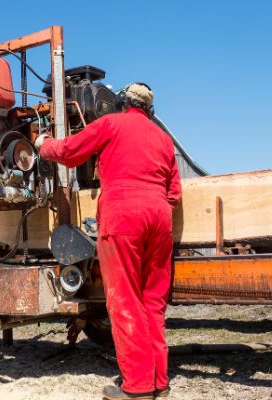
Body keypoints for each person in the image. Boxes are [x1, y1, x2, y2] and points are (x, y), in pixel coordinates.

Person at [35, 83, 182, 400]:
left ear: (121, 102)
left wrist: (43, 144)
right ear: (149, 109)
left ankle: (139, 387)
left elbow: (70, 153)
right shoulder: (163, 139)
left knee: (125, 300)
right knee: (153, 303)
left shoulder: (111, 123)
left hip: (123, 217)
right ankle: (159, 381)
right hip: (160, 219)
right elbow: (174, 193)